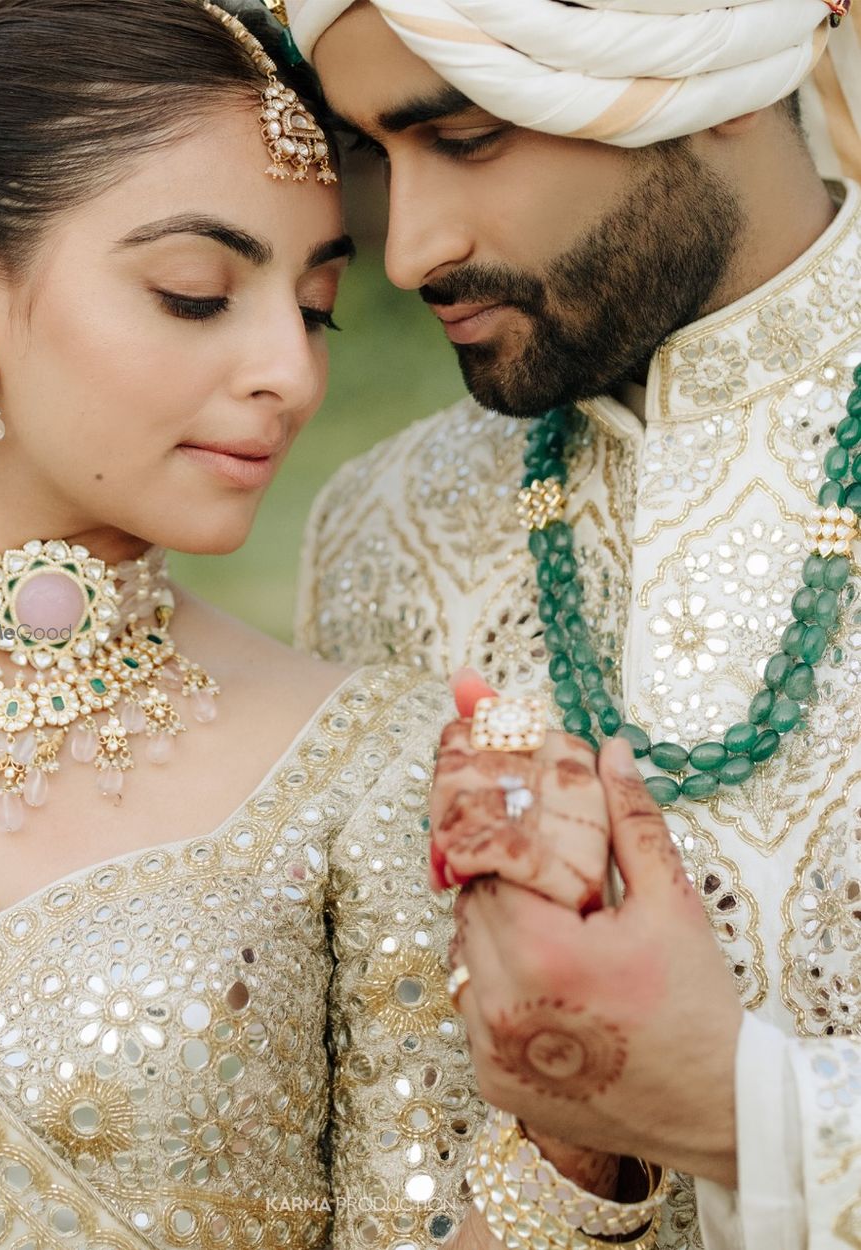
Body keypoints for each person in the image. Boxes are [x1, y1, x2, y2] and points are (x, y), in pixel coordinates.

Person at [0, 1, 511, 1244]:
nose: (292, 370)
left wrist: (577, 1148)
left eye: (316, 308)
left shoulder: (367, 765)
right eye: (195, 292)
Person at [290, 0, 861, 1246]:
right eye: (380, 154)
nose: (408, 248)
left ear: (706, 74)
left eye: (469, 135)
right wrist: (571, 1158)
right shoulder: (383, 533)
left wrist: (748, 1114)